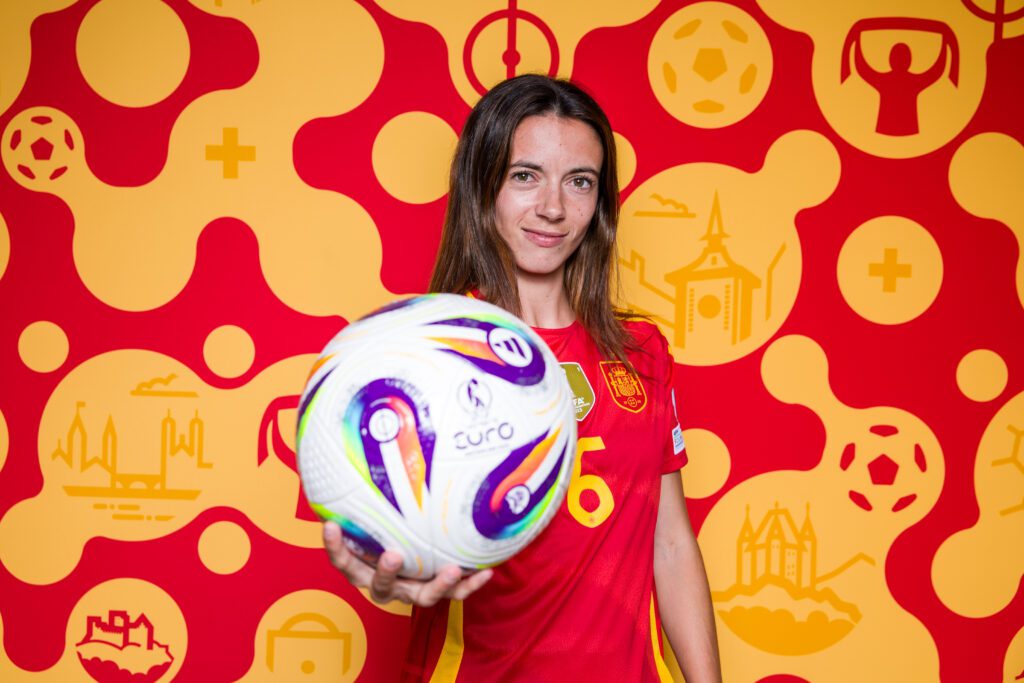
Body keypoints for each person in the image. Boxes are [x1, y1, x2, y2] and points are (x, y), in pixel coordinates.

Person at [323, 74, 722, 682]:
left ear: (600, 203)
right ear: (482, 188)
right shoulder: (420, 354)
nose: (554, 208)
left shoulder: (641, 348)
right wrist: (387, 569)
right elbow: (393, 539)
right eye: (525, 176)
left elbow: (670, 543)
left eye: (580, 182)